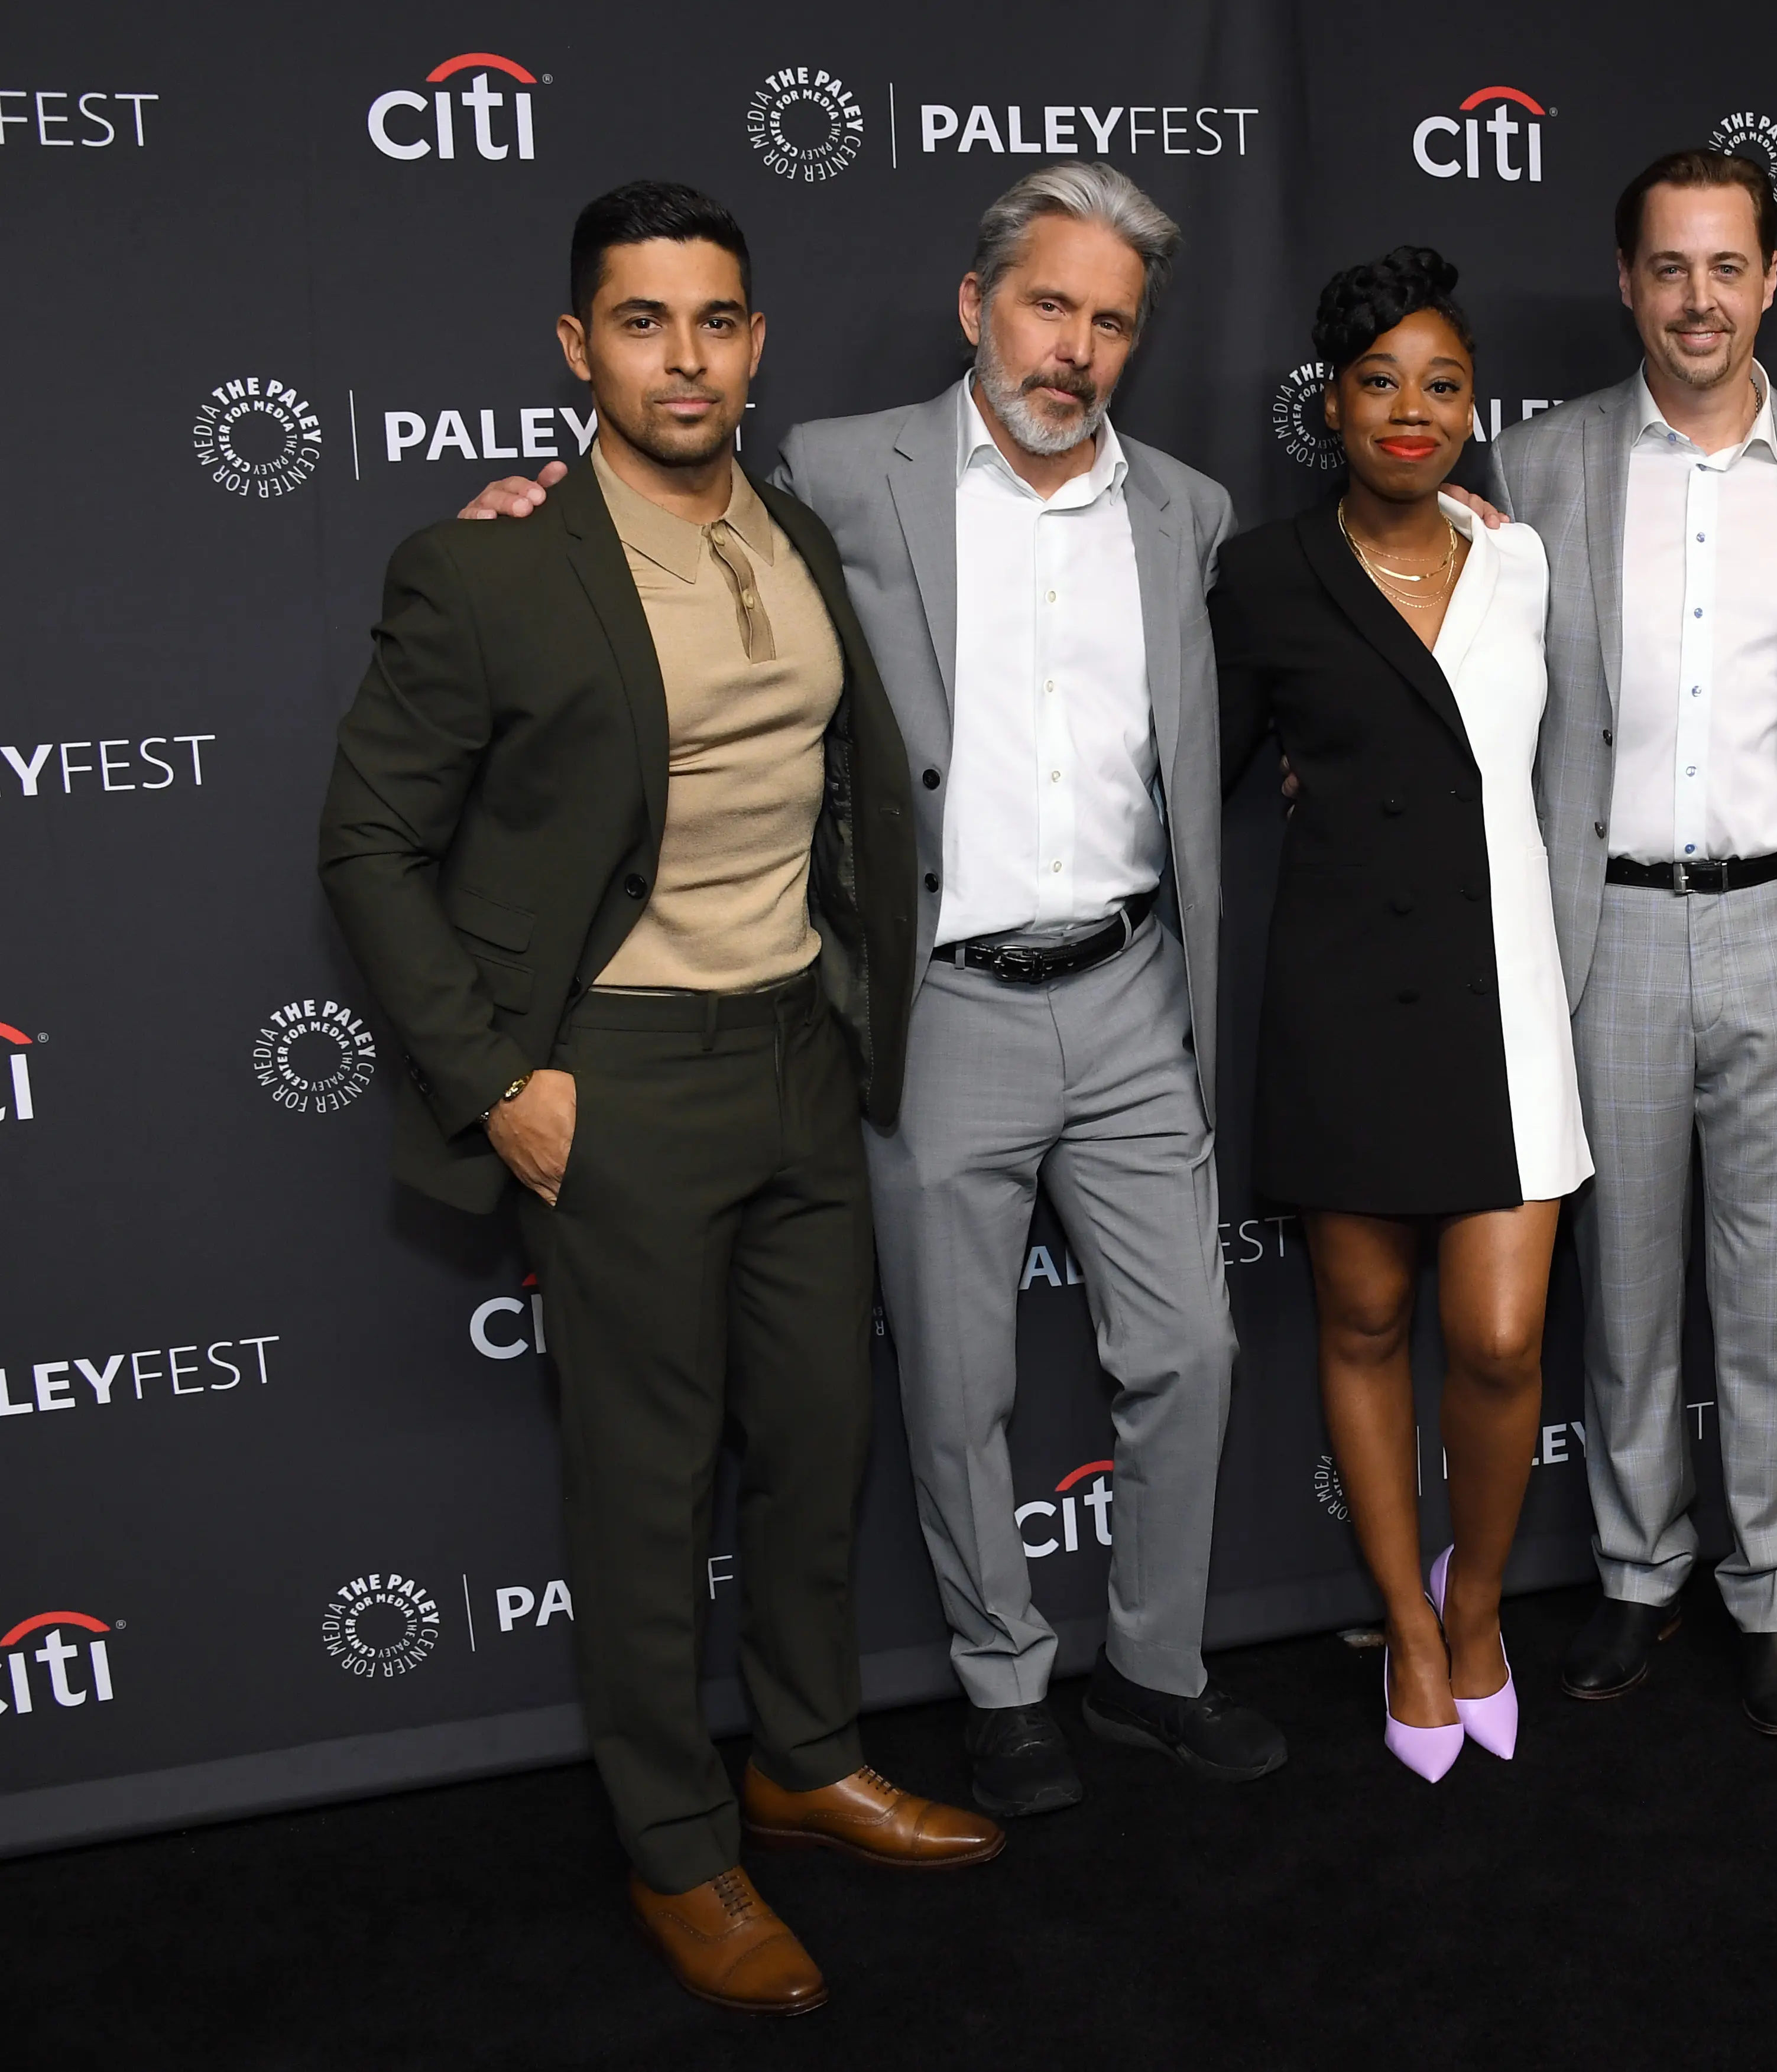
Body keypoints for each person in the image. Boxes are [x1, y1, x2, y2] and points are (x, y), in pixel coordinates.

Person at [455, 163, 1286, 1818]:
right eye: (1049, 305)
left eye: (1111, 322)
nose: (1075, 348)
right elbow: (655, 533)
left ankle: (1154, 1669)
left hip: (1131, 990)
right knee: (956, 1382)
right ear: (978, 306)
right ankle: (1002, 1685)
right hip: (937, 1003)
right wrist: (519, 525)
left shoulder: (1187, 511)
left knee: (1190, 1348)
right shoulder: (836, 471)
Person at [319, 181, 1001, 2016]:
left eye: (715, 322)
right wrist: (495, 1087)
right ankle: (680, 1849)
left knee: (814, 1440)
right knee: (643, 1490)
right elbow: (371, 844)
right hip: (609, 1080)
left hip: (798, 1050)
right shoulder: (488, 563)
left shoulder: (790, 528)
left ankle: (804, 1755)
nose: (683, 358)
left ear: (755, 344)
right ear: (576, 347)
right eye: (642, 321)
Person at [1489, 150, 1777, 1736]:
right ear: (1625, 279)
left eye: (1727, 267)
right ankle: (1640, 1571)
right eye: (1669, 268)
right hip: (1614, 931)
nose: (1698, 299)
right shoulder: (1537, 468)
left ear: (1772, 280)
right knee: (1629, 1284)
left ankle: (1775, 1588)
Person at [1213, 248, 1588, 1781]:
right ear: (1333, 404)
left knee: (1498, 1339)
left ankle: (1479, 1602)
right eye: (1380, 383)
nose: (1412, 411)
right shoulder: (1260, 574)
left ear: (1474, 405)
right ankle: (1408, 1629)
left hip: (1506, 997)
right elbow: (1201, 773)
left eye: (1442, 384)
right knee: (1364, 1322)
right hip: (1343, 1002)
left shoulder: (1524, 561)